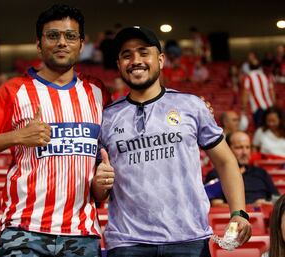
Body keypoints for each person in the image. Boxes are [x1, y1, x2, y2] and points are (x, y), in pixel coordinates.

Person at [0, 4, 110, 257]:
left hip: (82, 233)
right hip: (24, 231)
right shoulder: (14, 90)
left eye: (70, 36)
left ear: (81, 44)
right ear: (38, 44)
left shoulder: (98, 91)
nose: (62, 42)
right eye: (53, 35)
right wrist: (17, 136)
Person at [92, 26, 252, 257]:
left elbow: (226, 162)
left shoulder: (191, 106)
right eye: (127, 55)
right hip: (127, 243)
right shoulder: (106, 118)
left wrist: (239, 212)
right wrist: (100, 184)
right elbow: (99, 194)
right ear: (118, 64)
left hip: (188, 239)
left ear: (161, 59)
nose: (136, 60)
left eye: (143, 52)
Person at [205, 131, 279, 207]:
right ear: (227, 150)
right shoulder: (216, 174)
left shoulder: (261, 173)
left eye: (247, 147)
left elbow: (277, 199)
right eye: (239, 148)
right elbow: (216, 205)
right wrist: (252, 206)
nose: (245, 152)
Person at [241, 60, 275, 128]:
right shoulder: (266, 76)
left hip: (258, 108)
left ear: (249, 67)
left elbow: (246, 93)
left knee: (261, 129)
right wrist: (273, 105)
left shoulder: (248, 77)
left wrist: (243, 108)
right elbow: (272, 92)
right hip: (269, 106)